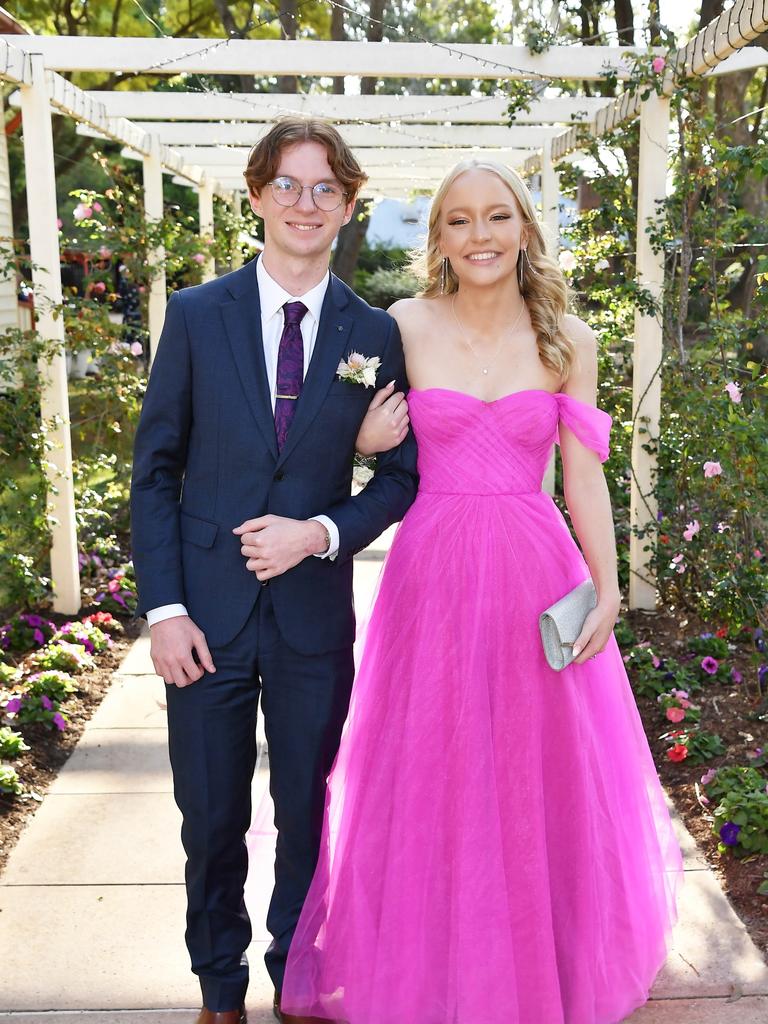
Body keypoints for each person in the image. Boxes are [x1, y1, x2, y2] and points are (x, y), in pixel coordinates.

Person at [280, 159, 683, 1024]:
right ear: (439, 240)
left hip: (539, 572)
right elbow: (344, 445)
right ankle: (433, 959)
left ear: (526, 228)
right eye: (459, 221)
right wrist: (358, 440)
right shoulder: (403, 325)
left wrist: (609, 590)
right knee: (433, 766)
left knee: (542, 770)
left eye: (496, 217)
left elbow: (584, 482)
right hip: (433, 573)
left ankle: (548, 958)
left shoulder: (570, 341)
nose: (480, 236)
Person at [130, 117, 418, 1024]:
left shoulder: (373, 329)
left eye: (325, 187)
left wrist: (323, 531)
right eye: (287, 185)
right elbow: (157, 469)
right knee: (210, 820)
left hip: (311, 618)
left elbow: (403, 475)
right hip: (204, 618)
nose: (305, 202)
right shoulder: (196, 314)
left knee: (305, 811)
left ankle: (295, 969)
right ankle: (220, 987)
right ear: (257, 196)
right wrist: (165, 607)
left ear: (348, 206)